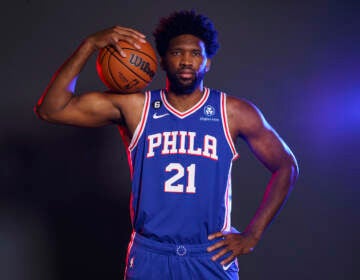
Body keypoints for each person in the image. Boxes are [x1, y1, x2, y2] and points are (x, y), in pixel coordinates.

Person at [35, 10, 298, 280]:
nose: (186, 61)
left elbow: (286, 166)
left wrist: (253, 234)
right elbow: (51, 109)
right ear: (161, 60)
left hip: (209, 255)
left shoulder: (232, 112)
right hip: (151, 254)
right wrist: (89, 45)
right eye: (177, 53)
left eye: (195, 54)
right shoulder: (137, 107)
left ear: (207, 63)